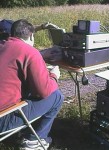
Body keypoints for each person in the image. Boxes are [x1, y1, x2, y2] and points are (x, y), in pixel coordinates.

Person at [0, 19, 64, 150]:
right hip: (3, 118)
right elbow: (43, 91)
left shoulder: (3, 46)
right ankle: (33, 141)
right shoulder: (30, 52)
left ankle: (26, 132)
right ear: (31, 36)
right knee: (57, 96)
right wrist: (54, 76)